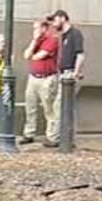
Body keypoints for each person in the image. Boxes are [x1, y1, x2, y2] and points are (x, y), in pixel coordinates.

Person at [21, 13, 62, 146]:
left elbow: (38, 56)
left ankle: (52, 136)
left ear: (44, 28)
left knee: (49, 108)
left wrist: (32, 53)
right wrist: (34, 41)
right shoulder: (36, 41)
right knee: (30, 107)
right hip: (33, 77)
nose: (35, 31)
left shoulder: (52, 40)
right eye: (34, 29)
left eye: (37, 28)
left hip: (47, 78)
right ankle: (29, 133)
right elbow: (26, 55)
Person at [54, 11, 85, 148]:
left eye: (55, 20)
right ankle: (64, 137)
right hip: (61, 74)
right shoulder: (63, 36)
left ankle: (66, 139)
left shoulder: (74, 34)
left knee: (64, 106)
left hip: (69, 73)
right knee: (61, 106)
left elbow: (80, 54)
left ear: (62, 18)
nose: (54, 24)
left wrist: (76, 72)